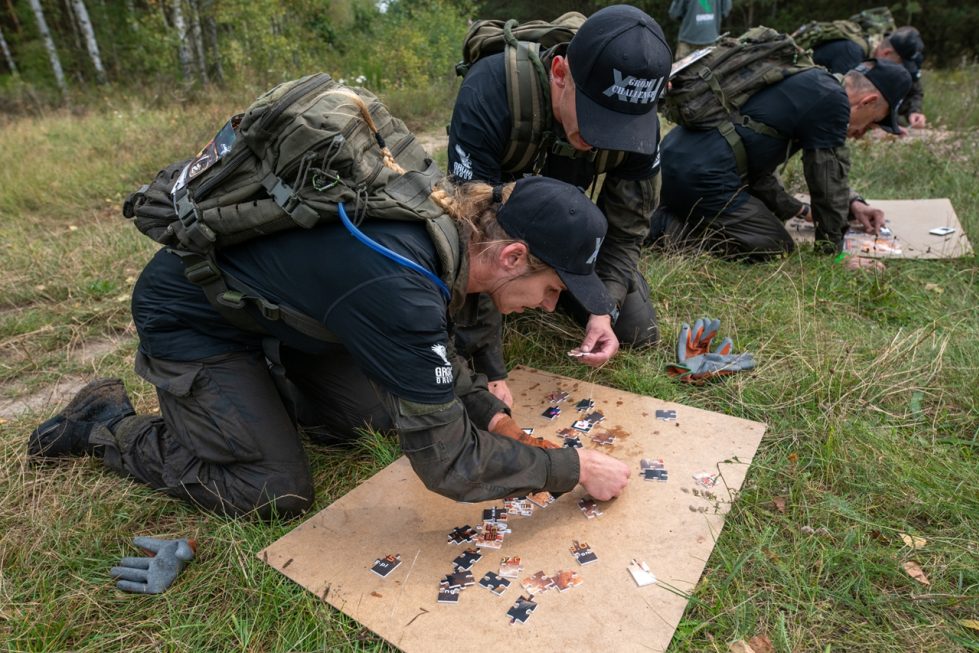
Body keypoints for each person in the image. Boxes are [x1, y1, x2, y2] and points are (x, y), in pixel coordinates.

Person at [28, 168, 633, 519]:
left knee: (372, 417)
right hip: (194, 319)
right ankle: (104, 424)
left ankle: (257, 400)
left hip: (288, 316)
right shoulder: (401, 283)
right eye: (552, 289)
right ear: (513, 256)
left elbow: (428, 356)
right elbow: (449, 463)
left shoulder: (446, 235)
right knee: (274, 489)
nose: (548, 306)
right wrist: (569, 468)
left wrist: (492, 418)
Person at [448, 4, 672, 408]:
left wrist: (603, 307)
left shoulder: (640, 124)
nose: (602, 138)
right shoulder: (492, 90)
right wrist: (490, 365)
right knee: (461, 333)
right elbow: (472, 234)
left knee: (637, 330)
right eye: (596, 117)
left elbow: (627, 229)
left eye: (621, 126)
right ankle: (518, 295)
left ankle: (544, 287)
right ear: (559, 73)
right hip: (501, 236)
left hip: (567, 237)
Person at [651, 59, 912, 268]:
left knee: (765, 216)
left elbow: (758, 172)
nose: (861, 133)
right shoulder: (834, 102)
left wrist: (849, 204)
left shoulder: (808, 80)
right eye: (871, 124)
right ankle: (659, 229)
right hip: (700, 174)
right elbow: (826, 181)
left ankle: (664, 211)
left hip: (674, 160)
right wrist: (833, 255)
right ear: (868, 102)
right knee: (774, 245)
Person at [811, 26, 926, 131]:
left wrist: (913, 111)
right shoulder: (851, 52)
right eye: (899, 66)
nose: (899, 72)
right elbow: (845, 104)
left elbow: (913, 88)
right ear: (886, 53)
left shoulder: (884, 57)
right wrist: (884, 127)